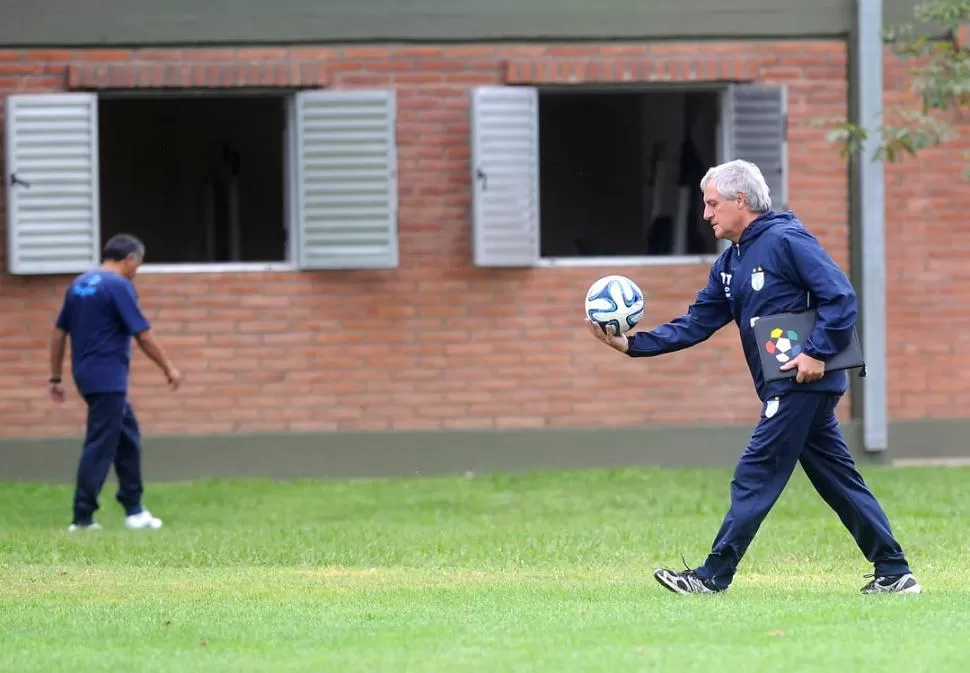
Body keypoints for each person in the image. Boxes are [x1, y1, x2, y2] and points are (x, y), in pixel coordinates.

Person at [586, 159, 921, 595]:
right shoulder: (730, 263)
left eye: (712, 203)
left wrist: (816, 353)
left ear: (740, 200)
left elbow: (841, 297)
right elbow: (697, 322)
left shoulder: (786, 239)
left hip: (802, 382)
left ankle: (712, 576)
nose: (705, 214)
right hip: (790, 385)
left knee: (755, 472)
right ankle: (895, 572)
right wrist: (634, 345)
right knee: (837, 480)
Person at [49, 233, 182, 532]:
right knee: (100, 444)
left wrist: (56, 375)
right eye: (138, 264)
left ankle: (134, 510)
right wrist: (168, 368)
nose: (137, 271)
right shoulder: (119, 285)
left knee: (127, 437)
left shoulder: (80, 284)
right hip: (107, 376)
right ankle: (82, 518)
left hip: (85, 373)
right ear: (129, 259)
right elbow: (143, 334)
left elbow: (59, 333)